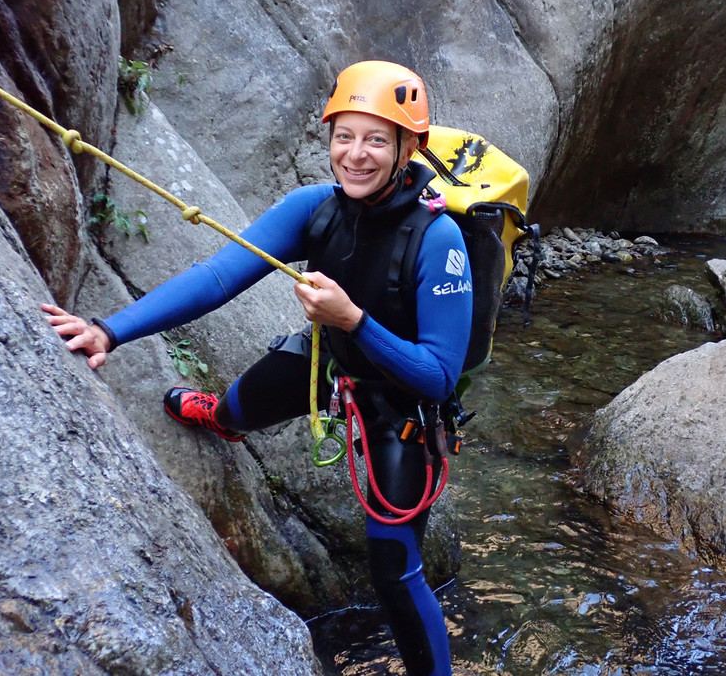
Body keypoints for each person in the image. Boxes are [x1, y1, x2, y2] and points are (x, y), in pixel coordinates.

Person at [43, 60, 471, 676]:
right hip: (332, 365)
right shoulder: (315, 209)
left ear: (410, 147)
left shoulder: (438, 240)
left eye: (377, 139)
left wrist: (353, 320)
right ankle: (217, 415)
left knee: (394, 571)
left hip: (404, 405)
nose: (355, 154)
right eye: (343, 136)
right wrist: (111, 328)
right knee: (238, 407)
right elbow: (218, 277)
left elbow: (438, 375)